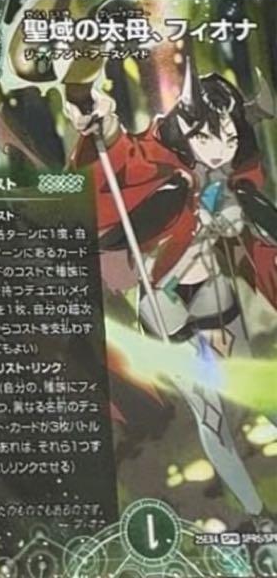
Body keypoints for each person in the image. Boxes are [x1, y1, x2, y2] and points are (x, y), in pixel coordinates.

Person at [66, 59, 277, 517]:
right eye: (208, 138)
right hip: (163, 297)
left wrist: (234, 217)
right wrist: (101, 121)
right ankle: (256, 515)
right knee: (210, 413)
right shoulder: (158, 159)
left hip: (212, 288)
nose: (220, 149)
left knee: (257, 389)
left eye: (229, 138)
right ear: (186, 131)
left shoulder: (232, 173)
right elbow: (121, 154)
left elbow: (251, 213)